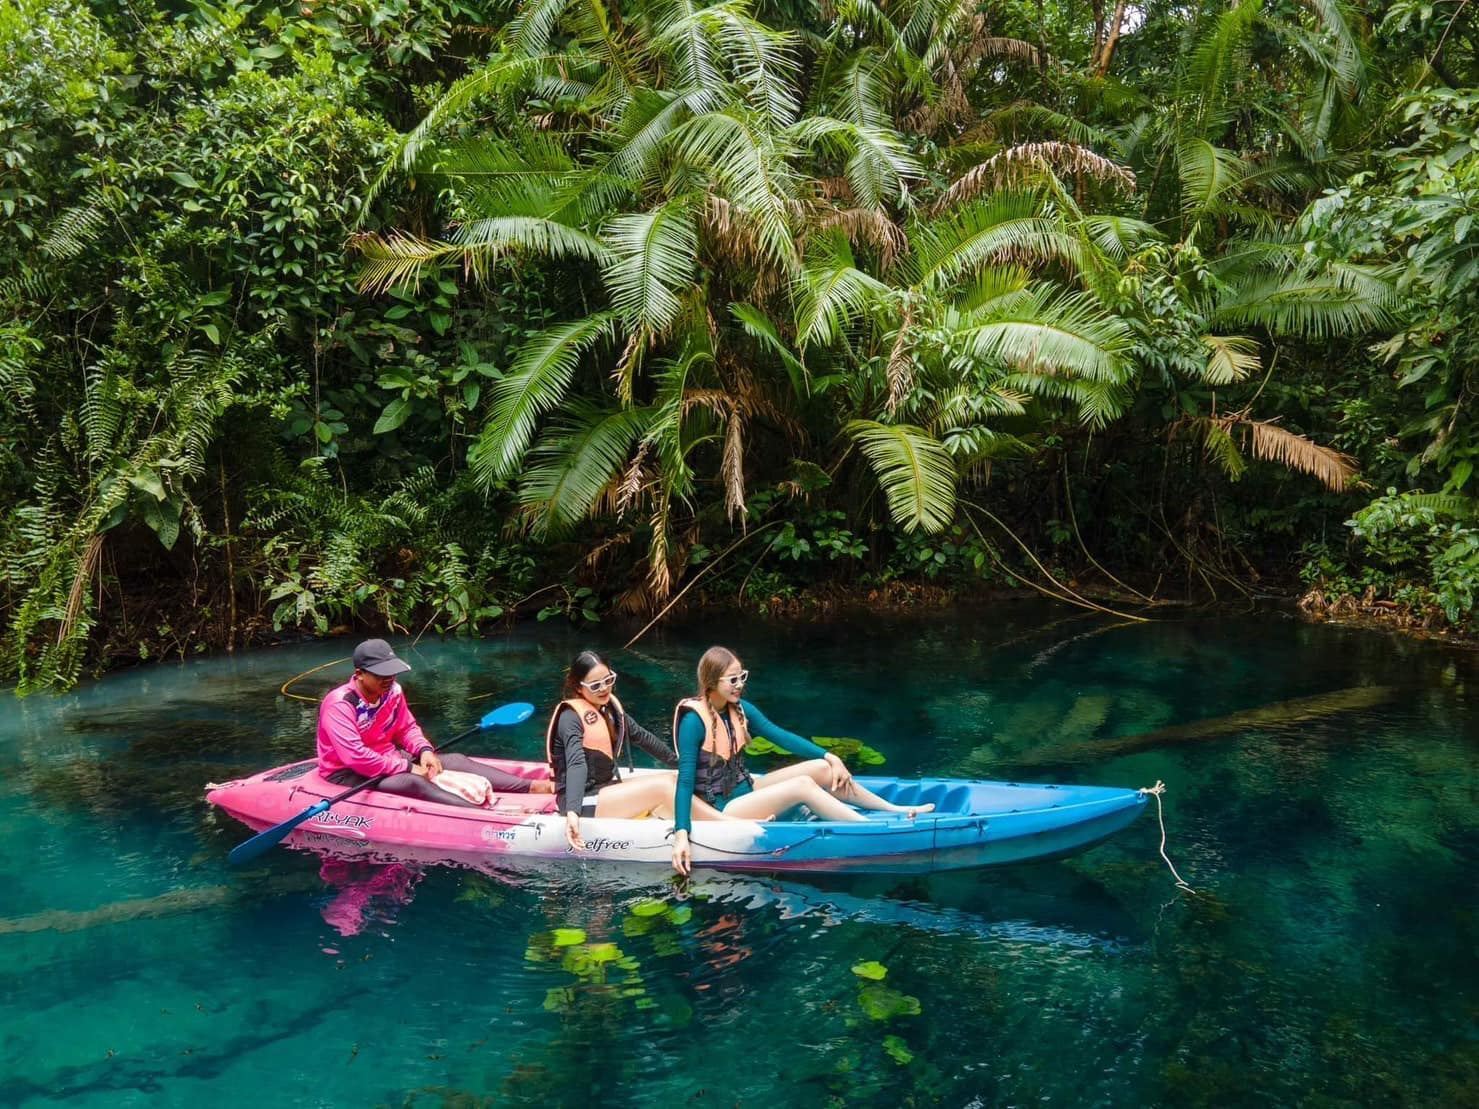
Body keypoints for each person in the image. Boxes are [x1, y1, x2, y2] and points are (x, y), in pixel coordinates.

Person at [669, 646, 932, 874]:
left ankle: (893, 809)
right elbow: (685, 782)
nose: (740, 685)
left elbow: (781, 736)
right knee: (802, 785)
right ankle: (873, 830)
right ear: (712, 682)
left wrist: (830, 756)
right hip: (721, 809)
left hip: (746, 789)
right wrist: (682, 834)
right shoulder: (693, 722)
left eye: (742, 677)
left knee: (822, 768)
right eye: (733, 679)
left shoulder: (739, 709)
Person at [316, 638, 553, 807]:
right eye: (381, 675)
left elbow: (406, 728)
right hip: (347, 771)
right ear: (359, 674)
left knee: (455, 760)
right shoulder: (340, 704)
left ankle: (532, 786)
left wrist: (424, 750)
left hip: (387, 756)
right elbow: (355, 757)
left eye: (391, 673)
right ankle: (484, 816)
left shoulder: (392, 692)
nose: (389, 679)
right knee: (413, 782)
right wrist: (407, 767)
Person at [547, 650, 732, 850]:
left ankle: (704, 819)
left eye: (608, 680)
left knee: (674, 779)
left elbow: (643, 738)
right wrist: (573, 813)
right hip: (581, 801)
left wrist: (679, 764)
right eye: (595, 685)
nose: (604, 688)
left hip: (604, 789)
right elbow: (576, 763)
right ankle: (729, 826)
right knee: (663, 788)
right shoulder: (570, 718)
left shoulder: (609, 710)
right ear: (578, 687)